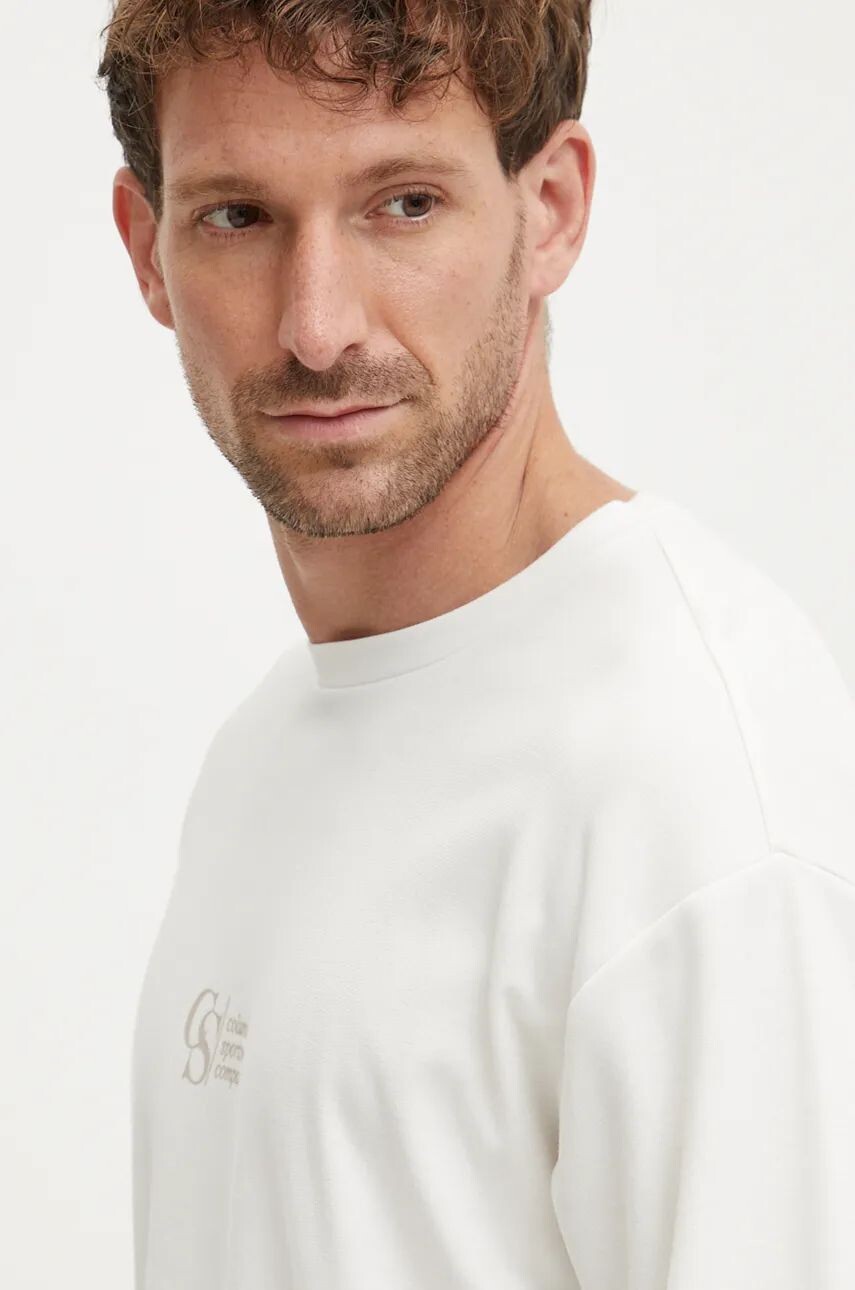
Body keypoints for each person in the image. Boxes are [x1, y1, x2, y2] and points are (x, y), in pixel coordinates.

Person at [97, 3, 855, 1287]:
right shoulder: (260, 753)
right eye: (239, 216)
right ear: (148, 249)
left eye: (404, 204)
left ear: (548, 209)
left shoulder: (696, 784)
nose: (318, 326)